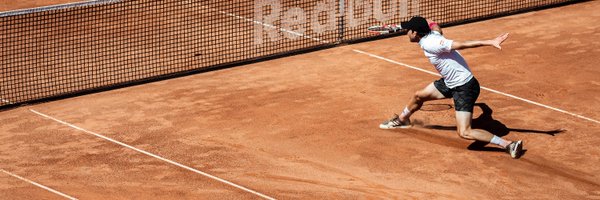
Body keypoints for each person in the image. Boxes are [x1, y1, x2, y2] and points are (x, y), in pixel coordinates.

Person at [379, 16, 524, 159]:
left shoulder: (432, 43)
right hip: (450, 82)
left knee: (464, 132)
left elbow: (461, 44)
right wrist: (485, 109)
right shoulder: (432, 34)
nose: (406, 33)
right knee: (419, 96)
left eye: (408, 30)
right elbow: (435, 26)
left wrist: (490, 42)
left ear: (415, 33)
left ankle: (508, 144)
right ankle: (402, 120)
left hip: (464, 87)